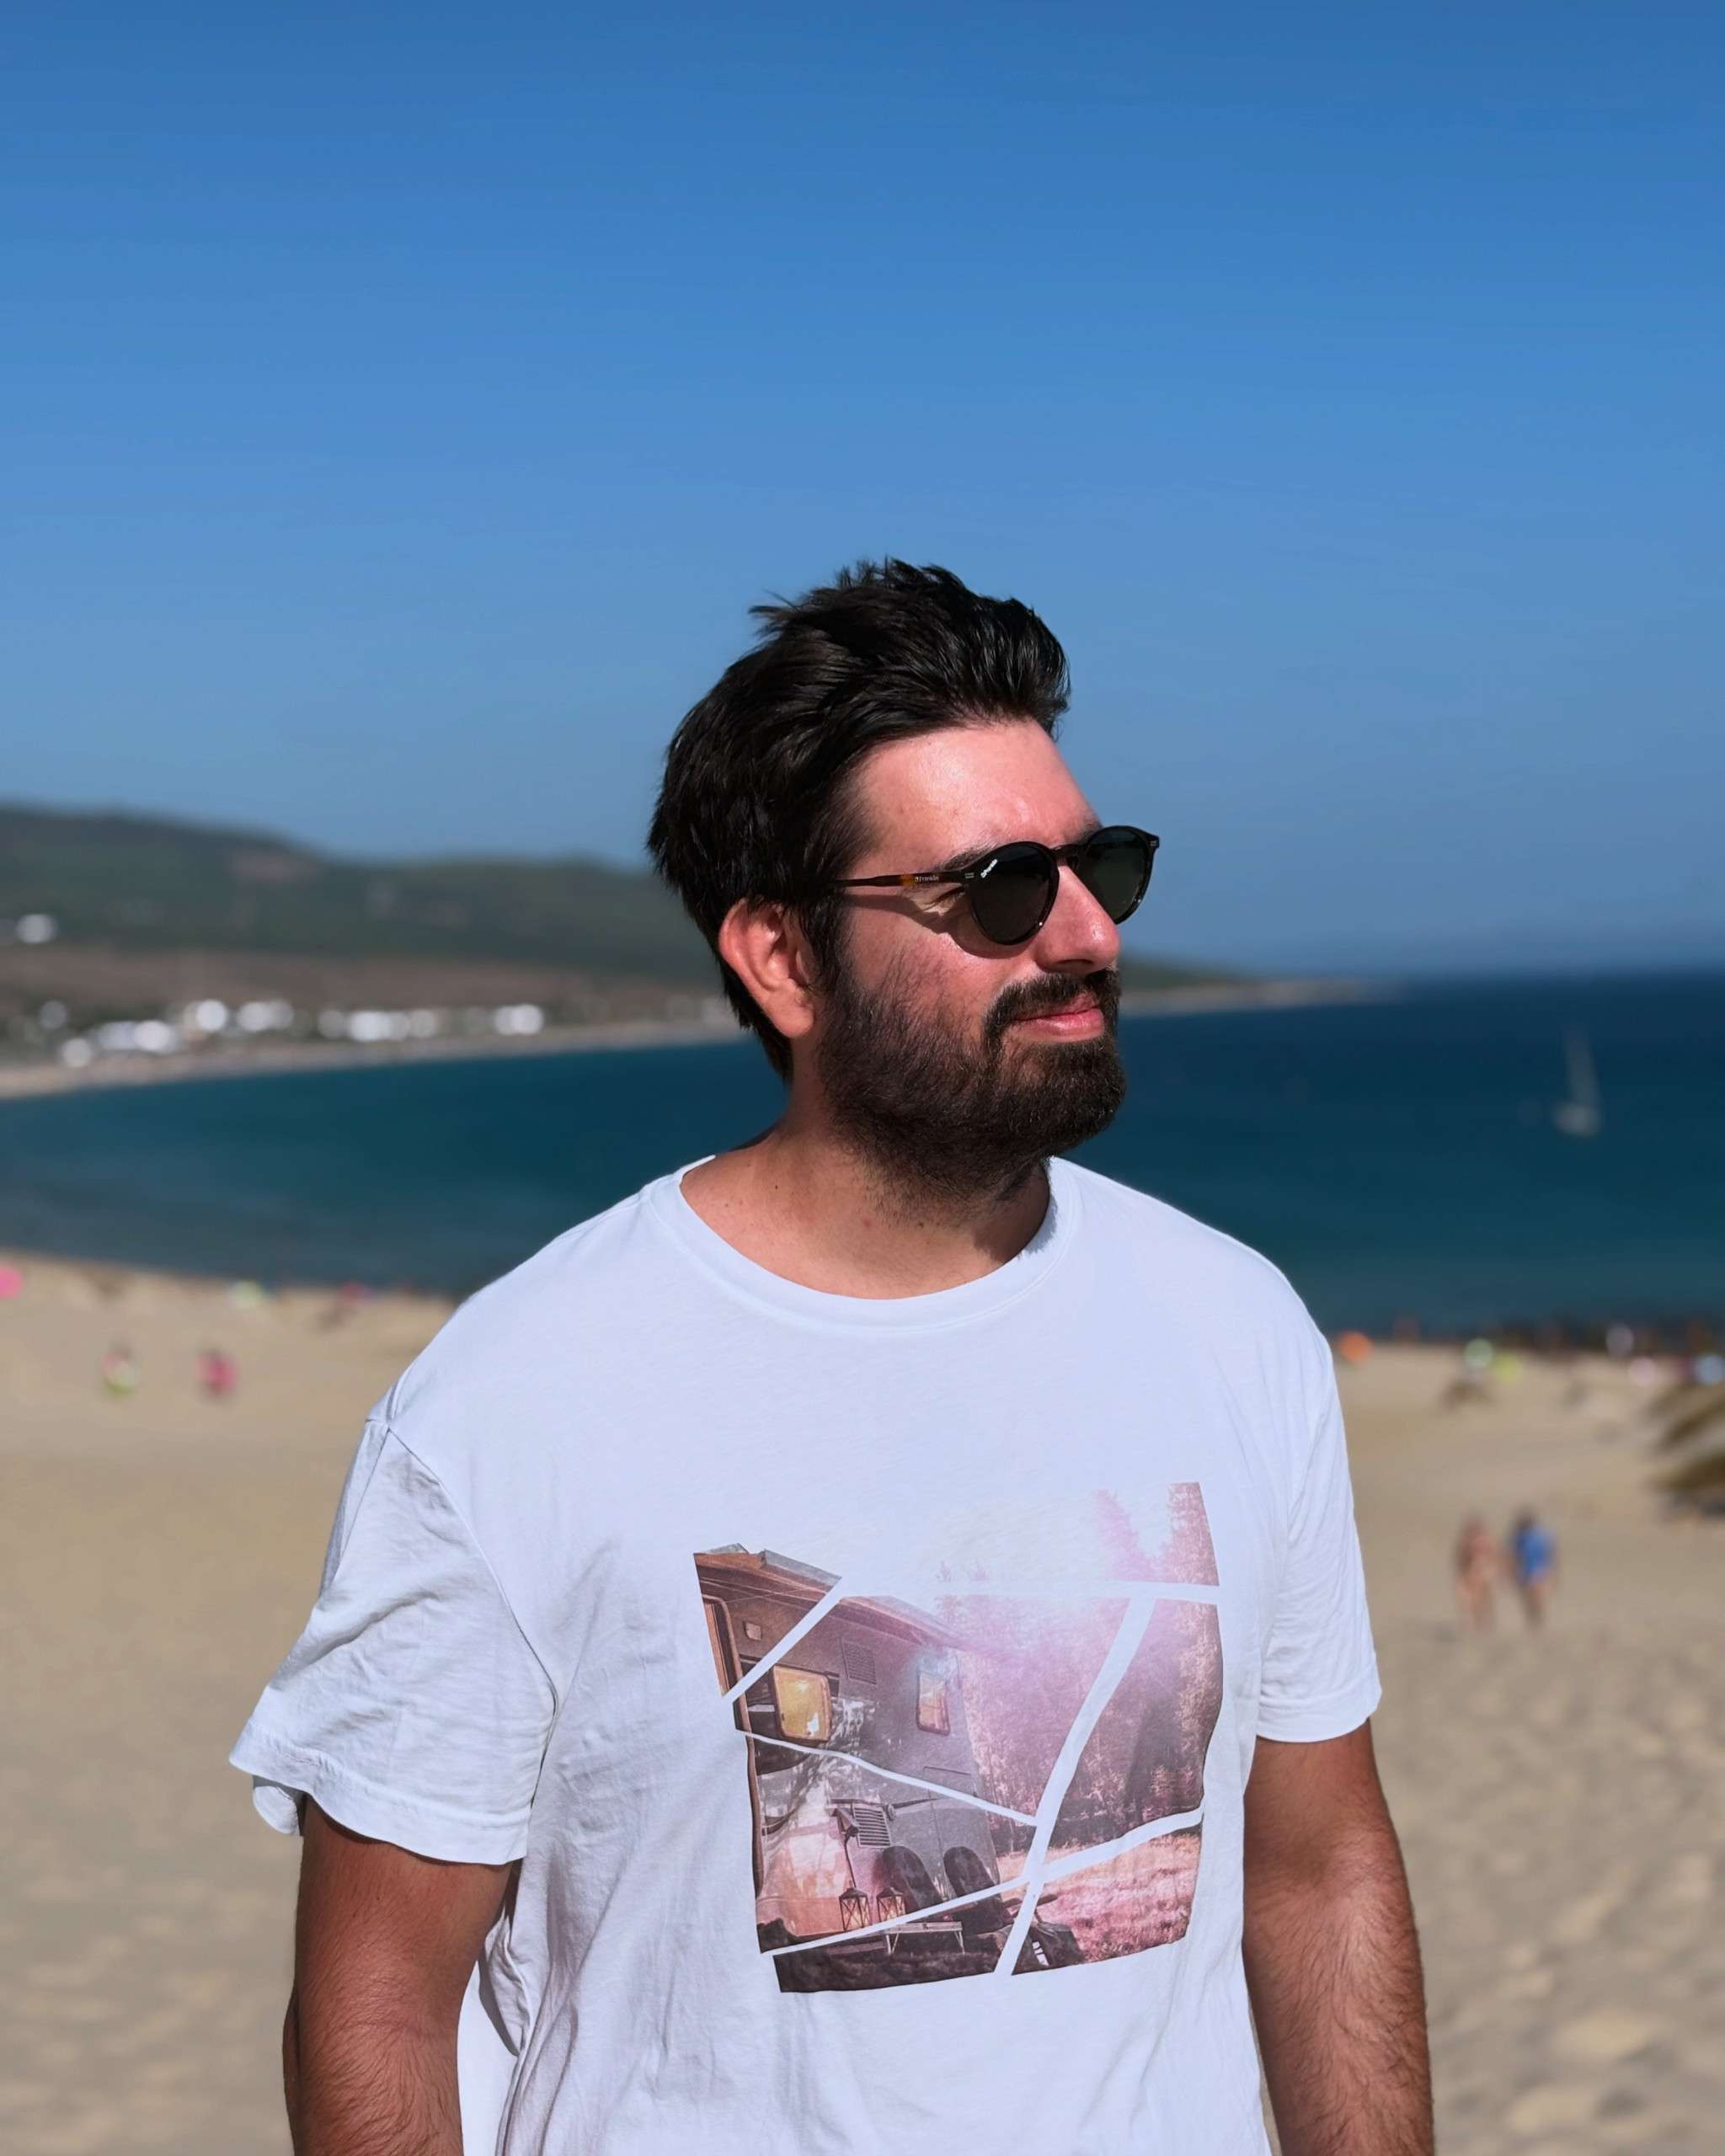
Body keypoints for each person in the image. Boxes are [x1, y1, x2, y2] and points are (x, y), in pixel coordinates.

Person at [232, 563, 1433, 2156]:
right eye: (1001, 888)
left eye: (1101, 868)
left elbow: (1318, 1865)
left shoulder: (1234, 1326)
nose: (1086, 933)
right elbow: (374, 2003)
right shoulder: (508, 1407)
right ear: (783, 960)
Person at [1507, 1508, 1559, 1627]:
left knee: (1535, 1600)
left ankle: (1537, 1623)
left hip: (1535, 1571)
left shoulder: (1537, 1536)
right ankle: (1536, 1624)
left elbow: (1550, 1555)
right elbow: (1515, 1557)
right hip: (1531, 1571)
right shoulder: (1524, 1537)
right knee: (1532, 1601)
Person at [1452, 1513, 1499, 1633]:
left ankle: (1485, 1626)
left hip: (1484, 1574)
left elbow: (1494, 1560)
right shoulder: (1465, 1545)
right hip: (1469, 1575)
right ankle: (1469, 1629)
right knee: (1465, 1599)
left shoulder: (1487, 1542)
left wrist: (1486, 1572)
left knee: (1482, 1603)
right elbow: (1461, 1562)